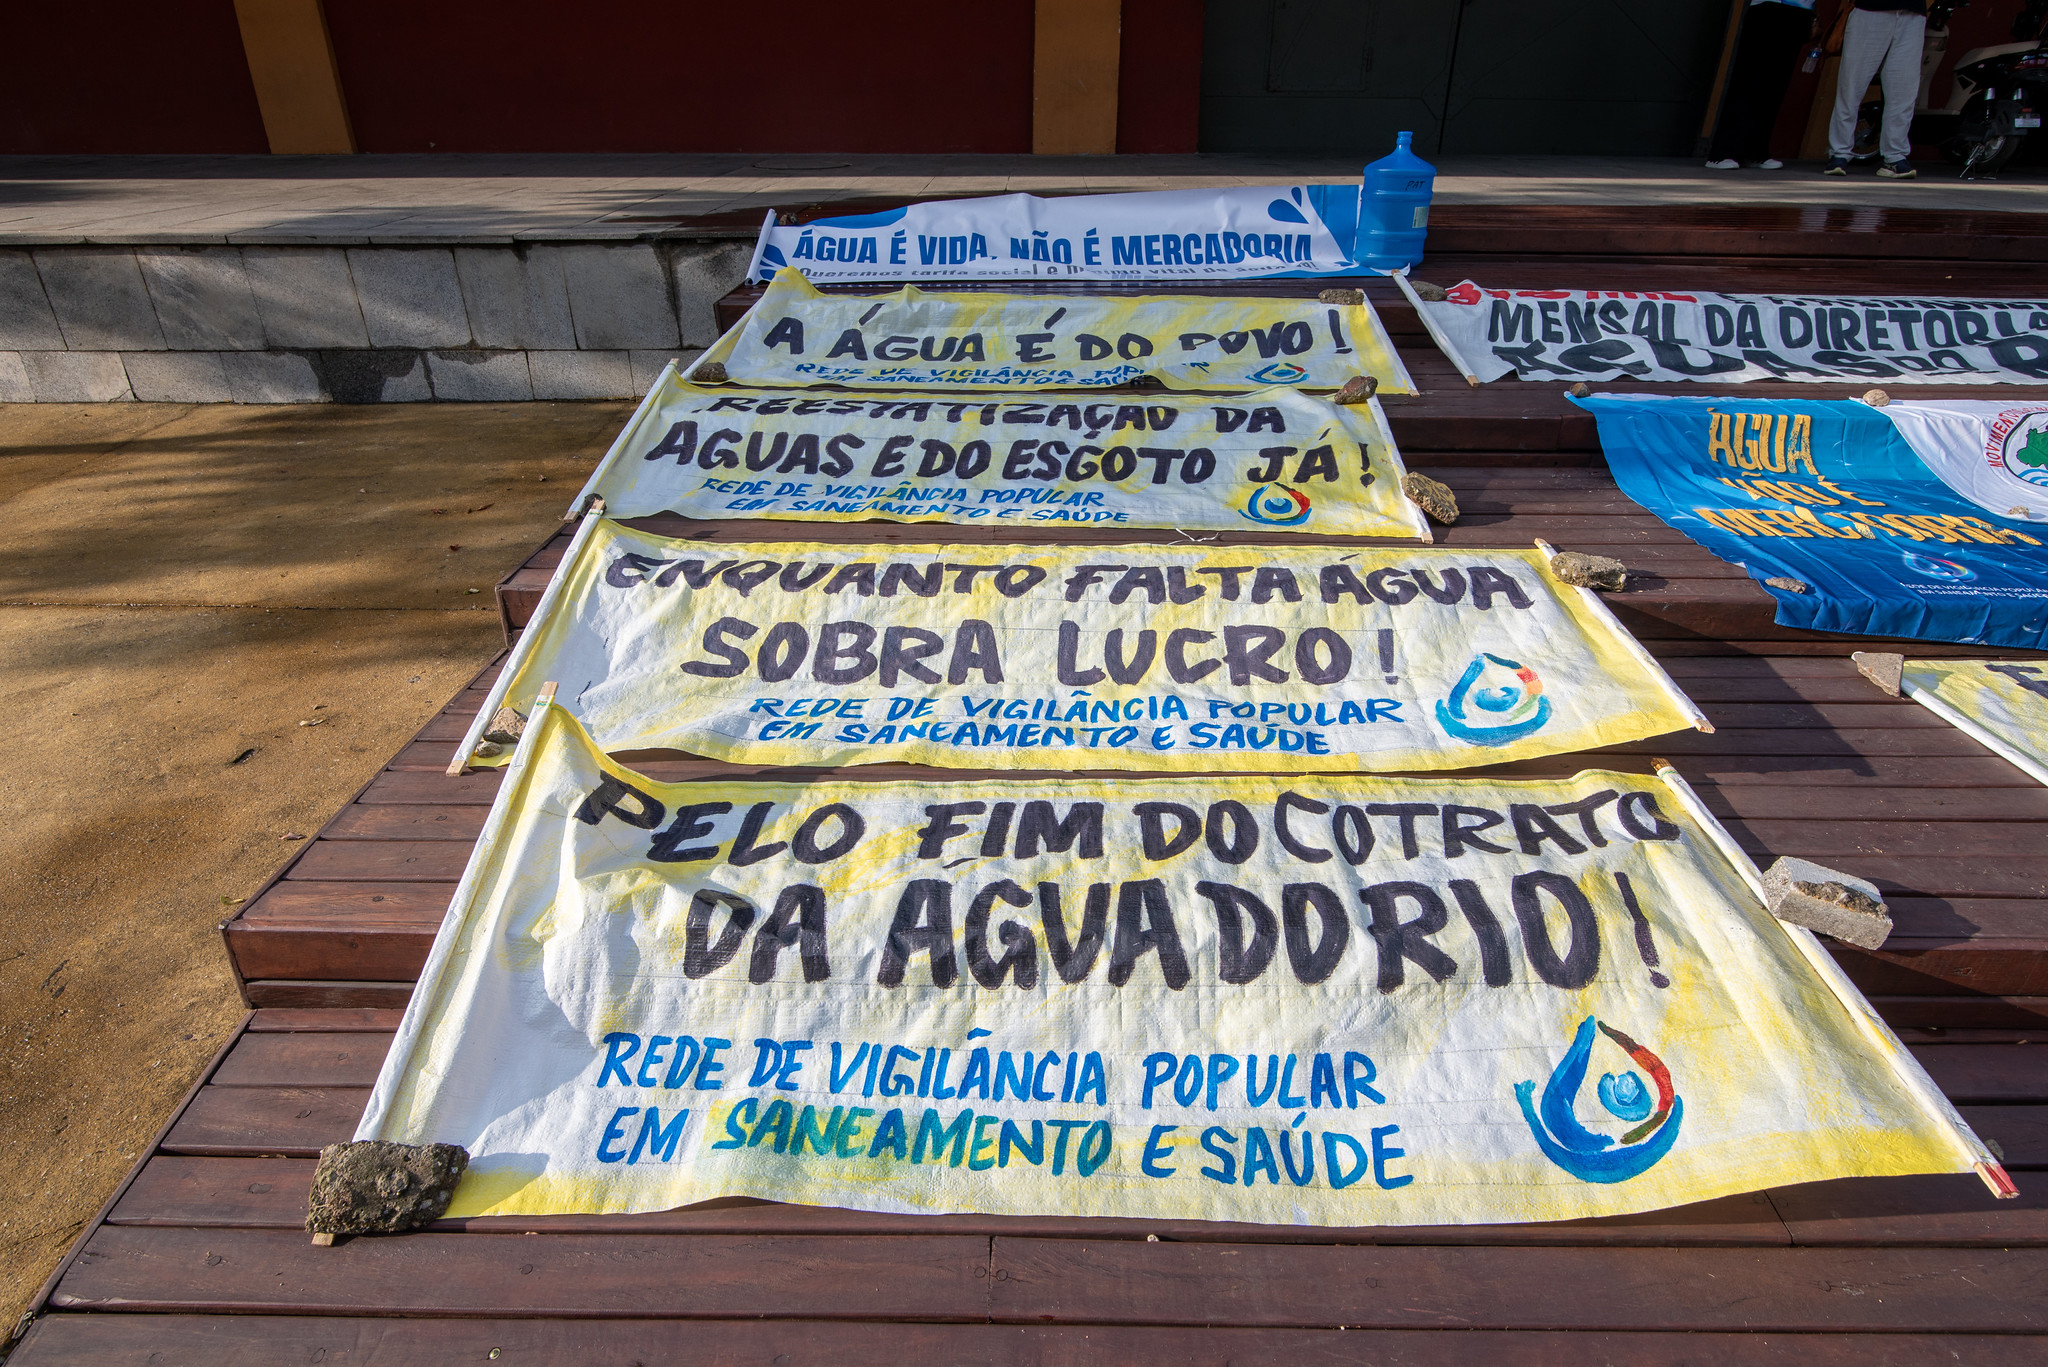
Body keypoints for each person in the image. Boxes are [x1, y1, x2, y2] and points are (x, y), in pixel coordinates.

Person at [1707, 1, 1819, 169]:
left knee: (1775, 88)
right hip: (1769, 7)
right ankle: (1722, 153)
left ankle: (1755, 153)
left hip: (1800, 11)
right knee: (1748, 82)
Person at [1826, 0, 1928, 178]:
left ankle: (1895, 156)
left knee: (1904, 90)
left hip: (1913, 13)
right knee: (1851, 86)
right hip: (1869, 10)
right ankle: (1839, 152)